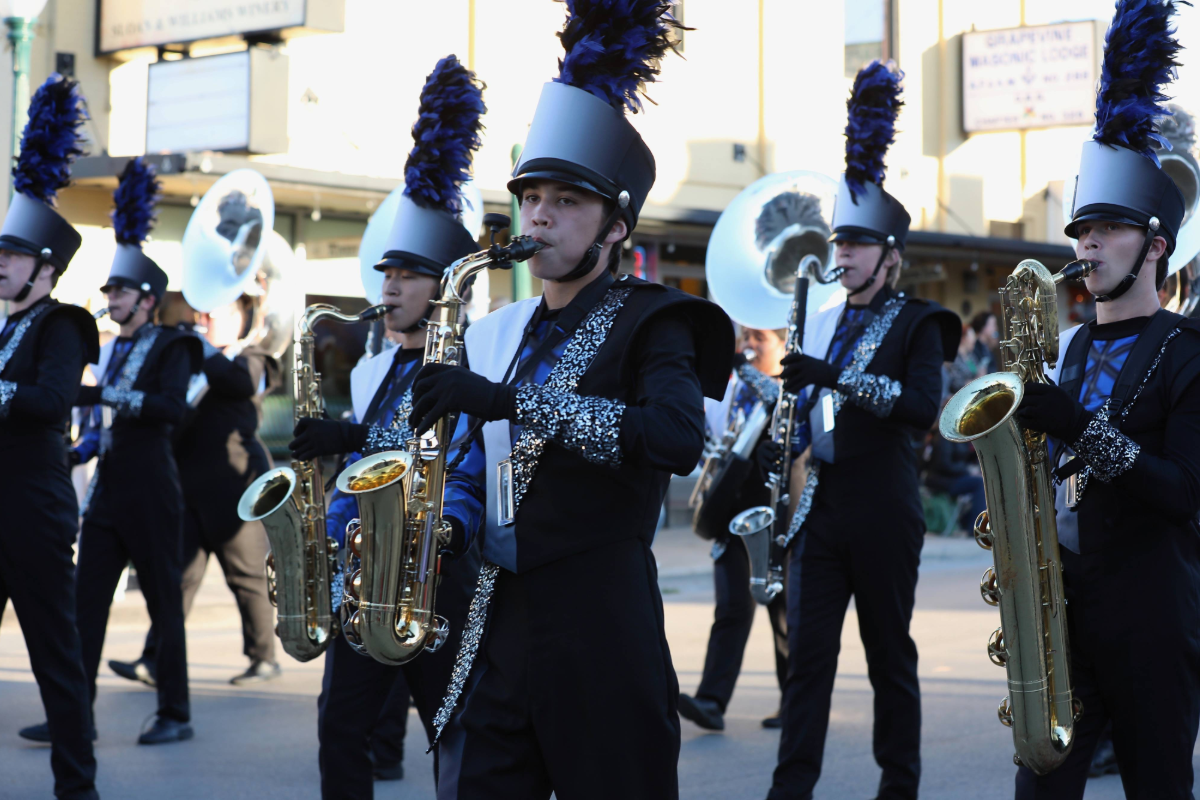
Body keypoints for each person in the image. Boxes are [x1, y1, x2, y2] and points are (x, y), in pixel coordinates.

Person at [415, 5, 733, 797]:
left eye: (566, 200)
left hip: (602, 622)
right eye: (531, 197)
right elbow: (475, 464)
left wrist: (511, 401)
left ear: (616, 227)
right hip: (498, 618)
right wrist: (447, 523)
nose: (540, 216)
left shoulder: (656, 319)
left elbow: (674, 437)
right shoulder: (501, 330)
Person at [1012, 1, 1200, 797]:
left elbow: (1183, 492)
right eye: (1080, 230)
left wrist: (1077, 428)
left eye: (1108, 229)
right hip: (1062, 616)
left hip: (1153, 617)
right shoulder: (1071, 344)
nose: (1085, 243)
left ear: (1155, 246)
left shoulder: (1188, 349)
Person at [284, 54, 484, 800]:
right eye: (386, 275)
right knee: (340, 729)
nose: (389, 287)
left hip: (436, 577)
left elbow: (463, 464)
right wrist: (339, 453)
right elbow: (381, 454)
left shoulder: (471, 361)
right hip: (366, 579)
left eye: (406, 276)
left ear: (444, 288)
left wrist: (445, 531)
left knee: (454, 736)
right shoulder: (380, 367)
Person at [765, 61, 960, 800]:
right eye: (838, 241)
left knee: (888, 658)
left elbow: (921, 408)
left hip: (884, 506)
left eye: (856, 243)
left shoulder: (920, 322)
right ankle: (789, 789)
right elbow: (813, 416)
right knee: (807, 662)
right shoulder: (820, 321)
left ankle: (898, 786)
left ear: (890, 256)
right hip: (822, 511)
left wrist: (836, 377)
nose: (840, 254)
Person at [21, 157, 203, 746]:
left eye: (120, 291)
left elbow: (170, 409)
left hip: (152, 489)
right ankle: (76, 715)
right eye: (109, 290)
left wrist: (103, 393)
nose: (111, 298)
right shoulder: (113, 348)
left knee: (163, 605)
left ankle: (175, 711)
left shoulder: (174, 345)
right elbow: (106, 424)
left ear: (147, 299)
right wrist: (77, 453)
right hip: (108, 492)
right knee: (85, 604)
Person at [0, 74, 100, 800]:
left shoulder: (64, 324)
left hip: (34, 511)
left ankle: (77, 786)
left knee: (55, 658)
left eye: (10, 254)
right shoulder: (7, 328)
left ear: (44, 266)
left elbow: (52, 400)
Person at [107, 294, 282, 688]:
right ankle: (155, 659)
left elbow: (240, 385)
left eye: (215, 314)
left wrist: (200, 346)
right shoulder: (194, 357)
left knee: (247, 576)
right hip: (187, 486)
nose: (205, 320)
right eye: (202, 313)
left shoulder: (252, 356)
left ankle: (263, 658)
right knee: (177, 578)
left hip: (234, 488)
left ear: (240, 319)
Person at [679, 328, 789, 732]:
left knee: (784, 615)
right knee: (730, 610)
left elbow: (779, 405)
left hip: (776, 519)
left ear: (783, 345)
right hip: (733, 518)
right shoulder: (732, 391)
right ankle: (711, 701)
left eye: (760, 338)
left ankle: (794, 704)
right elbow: (708, 444)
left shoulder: (790, 389)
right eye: (746, 337)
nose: (749, 344)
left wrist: (743, 368)